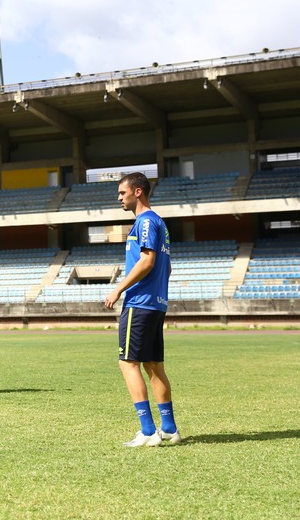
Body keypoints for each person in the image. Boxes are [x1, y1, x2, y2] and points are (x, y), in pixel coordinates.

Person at [104, 173, 181, 447]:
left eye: (122, 193)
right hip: (157, 303)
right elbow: (166, 267)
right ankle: (169, 429)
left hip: (140, 303)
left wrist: (118, 289)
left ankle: (148, 430)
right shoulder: (160, 222)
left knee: (128, 362)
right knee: (154, 365)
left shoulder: (145, 222)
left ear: (138, 192)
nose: (119, 198)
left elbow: (147, 261)